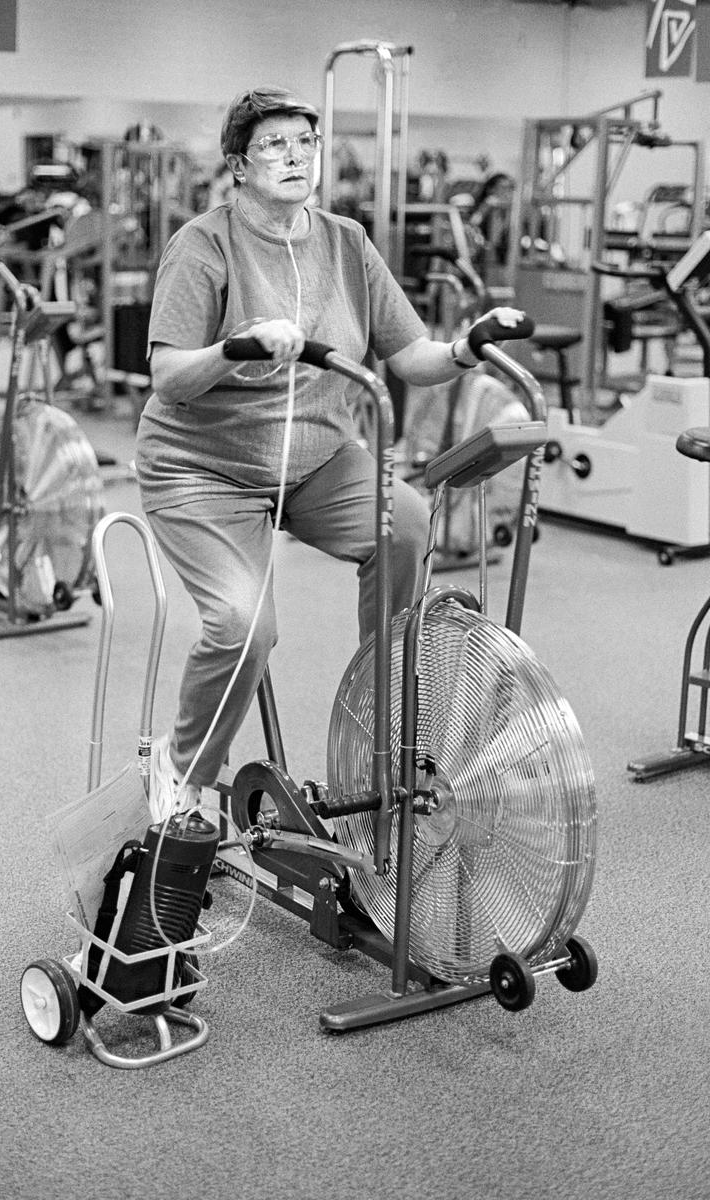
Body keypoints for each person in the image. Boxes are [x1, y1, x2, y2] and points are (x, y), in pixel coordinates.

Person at [135, 86, 525, 817]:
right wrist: (231, 349)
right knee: (244, 625)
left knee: (405, 522)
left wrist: (470, 346)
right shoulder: (203, 244)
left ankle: (379, 729)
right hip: (202, 466)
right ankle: (181, 774)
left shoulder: (346, 241)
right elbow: (168, 376)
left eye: (306, 143)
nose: (295, 157)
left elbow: (412, 356)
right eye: (275, 145)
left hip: (314, 459)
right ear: (237, 166)